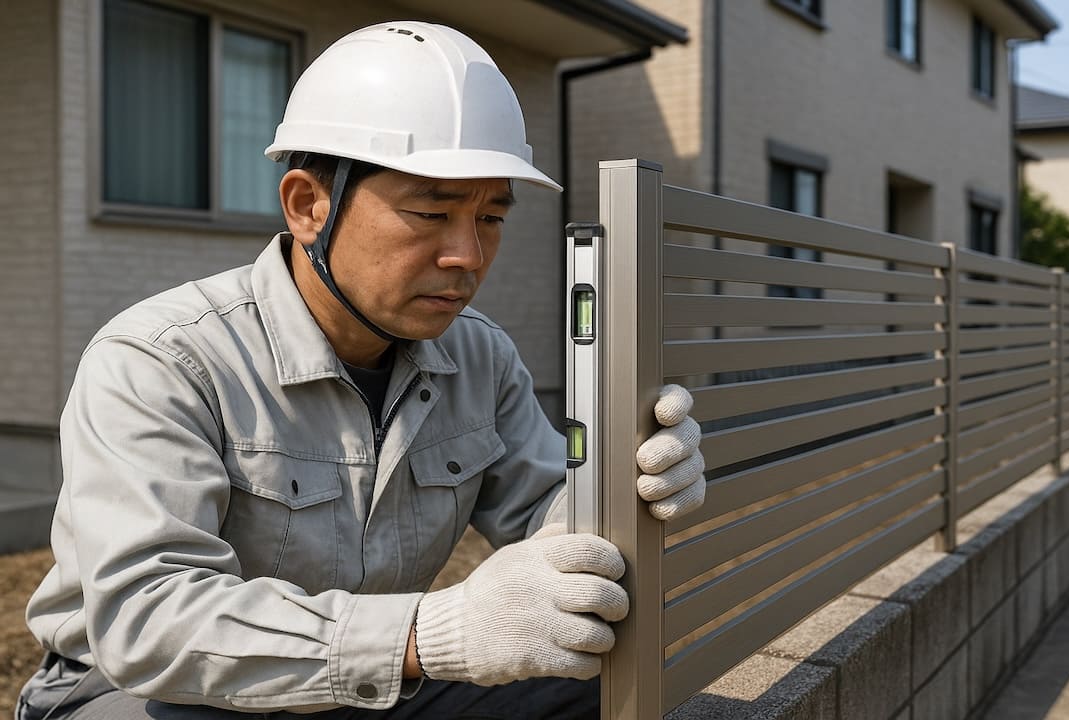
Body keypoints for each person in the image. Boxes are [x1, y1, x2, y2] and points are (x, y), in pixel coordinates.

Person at [16, 21, 705, 720]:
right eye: (430, 211)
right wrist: (430, 634)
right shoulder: (162, 358)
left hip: (364, 685)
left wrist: (629, 489)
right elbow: (148, 619)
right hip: (143, 693)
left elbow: (548, 510)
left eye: (491, 216)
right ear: (308, 206)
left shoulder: (479, 355)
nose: (467, 254)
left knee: (624, 674)